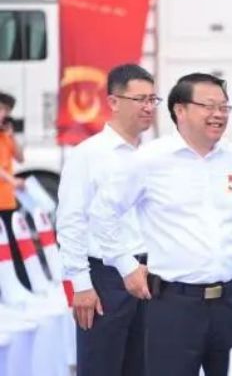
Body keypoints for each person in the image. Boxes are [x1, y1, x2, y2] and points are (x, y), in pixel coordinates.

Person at [90, 73, 232, 376]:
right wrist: (125, 266)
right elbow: (103, 213)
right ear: (180, 110)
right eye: (208, 106)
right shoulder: (149, 159)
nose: (218, 114)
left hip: (231, 303)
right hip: (174, 307)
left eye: (224, 107)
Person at [57, 64, 158, 376]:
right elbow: (71, 222)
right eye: (140, 99)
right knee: (101, 367)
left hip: (148, 274)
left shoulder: (151, 156)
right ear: (113, 101)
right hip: (105, 279)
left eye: (152, 99)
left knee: (144, 367)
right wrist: (81, 285)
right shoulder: (88, 155)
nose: (148, 107)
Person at [0, 91, 30, 289]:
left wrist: (12, 136)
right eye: (1, 109)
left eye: (7, 111)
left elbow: (20, 158)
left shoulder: (5, 134)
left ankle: (18, 284)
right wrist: (12, 179)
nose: (4, 114)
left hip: (7, 200)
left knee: (11, 245)